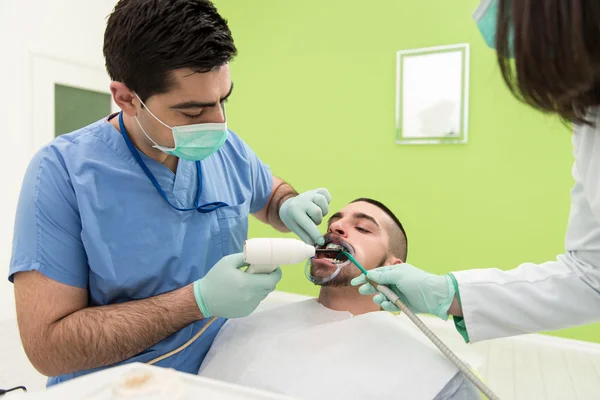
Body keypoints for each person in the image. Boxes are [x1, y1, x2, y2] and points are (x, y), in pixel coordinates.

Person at [9, 0, 330, 386]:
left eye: (223, 100)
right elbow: (49, 348)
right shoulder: (62, 173)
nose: (218, 124)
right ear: (126, 98)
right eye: (193, 113)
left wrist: (287, 203)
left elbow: (268, 192)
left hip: (219, 380)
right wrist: (195, 302)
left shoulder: (227, 149)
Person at [353, 0, 600, 343]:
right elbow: (592, 275)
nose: (336, 228)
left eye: (362, 227)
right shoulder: (591, 120)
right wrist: (448, 294)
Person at [199, 199, 480, 400]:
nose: (336, 228)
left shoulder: (438, 380)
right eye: (335, 222)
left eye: (363, 228)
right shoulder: (242, 322)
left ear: (392, 267)